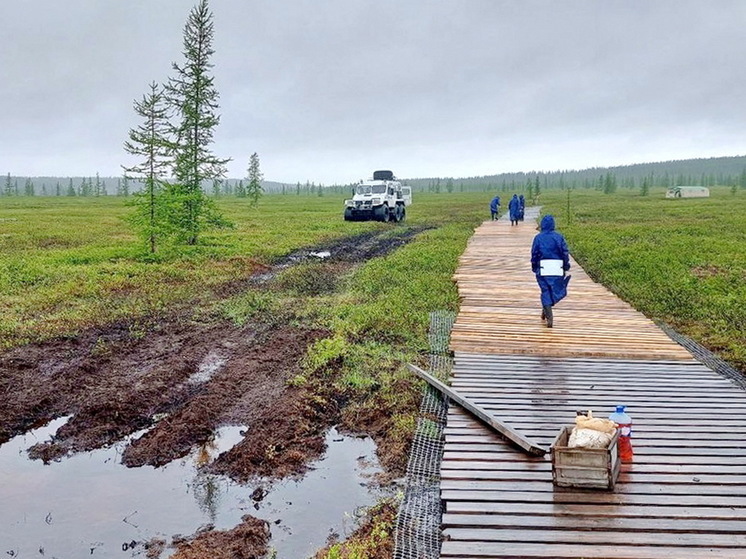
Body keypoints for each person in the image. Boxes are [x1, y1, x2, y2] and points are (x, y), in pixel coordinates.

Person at [531, 214, 571, 328]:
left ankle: (548, 313)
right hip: (557, 268)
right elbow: (564, 252)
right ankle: (546, 309)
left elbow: (534, 253)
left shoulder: (538, 238)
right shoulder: (559, 237)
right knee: (555, 289)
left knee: (545, 290)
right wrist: (566, 265)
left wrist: (534, 265)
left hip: (543, 268)